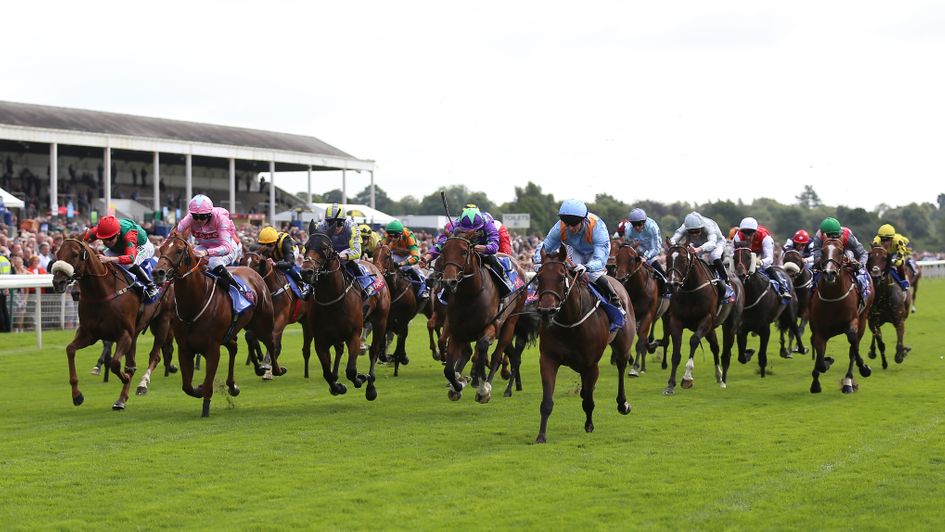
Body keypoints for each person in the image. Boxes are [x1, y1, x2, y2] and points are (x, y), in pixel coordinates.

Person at [532, 199, 621, 309]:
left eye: (573, 225)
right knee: (568, 274)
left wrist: (587, 267)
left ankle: (615, 301)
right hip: (576, 251)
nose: (569, 228)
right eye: (567, 224)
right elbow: (545, 246)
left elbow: (600, 259)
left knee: (593, 275)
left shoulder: (597, 227)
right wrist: (537, 260)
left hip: (596, 253)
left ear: (584, 220)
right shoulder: (560, 227)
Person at [425, 206, 511, 293]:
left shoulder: (488, 223)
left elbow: (494, 247)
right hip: (464, 248)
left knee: (492, 258)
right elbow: (440, 244)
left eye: (475, 229)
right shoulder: (454, 224)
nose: (470, 232)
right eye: (466, 229)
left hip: (483, 245)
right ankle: (436, 283)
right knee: (447, 257)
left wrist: (484, 248)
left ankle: (505, 280)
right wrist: (427, 257)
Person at [176, 194, 246, 296]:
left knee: (213, 261)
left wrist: (206, 252)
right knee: (187, 258)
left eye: (203, 216)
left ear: (209, 214)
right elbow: (174, 235)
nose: (199, 220)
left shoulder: (221, 219)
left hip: (228, 246)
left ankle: (238, 289)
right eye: (196, 216)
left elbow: (226, 248)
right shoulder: (189, 218)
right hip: (206, 246)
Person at [84, 215, 159, 299]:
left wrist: (109, 259)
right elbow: (81, 241)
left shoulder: (129, 234)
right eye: (103, 239)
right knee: (101, 258)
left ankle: (151, 286)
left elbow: (130, 258)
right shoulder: (100, 229)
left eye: (110, 238)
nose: (107, 242)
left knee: (128, 264)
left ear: (118, 233)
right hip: (122, 247)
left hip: (142, 246)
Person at [670, 211, 731, 295]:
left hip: (717, 242)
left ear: (702, 228)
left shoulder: (709, 226)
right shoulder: (684, 227)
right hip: (697, 244)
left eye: (697, 231)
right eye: (691, 232)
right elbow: (673, 240)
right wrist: (674, 246)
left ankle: (726, 280)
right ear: (687, 229)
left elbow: (712, 243)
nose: (694, 234)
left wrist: (698, 249)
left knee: (714, 256)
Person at [810, 217, 870, 299]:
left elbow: (863, 253)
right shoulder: (818, 237)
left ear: (839, 232)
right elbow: (817, 259)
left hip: (846, 252)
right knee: (812, 277)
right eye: (829, 236)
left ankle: (864, 298)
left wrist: (860, 265)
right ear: (823, 234)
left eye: (835, 235)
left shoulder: (847, 235)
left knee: (860, 274)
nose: (832, 239)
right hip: (827, 256)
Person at [732, 217, 792, 299]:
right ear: (741, 231)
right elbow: (733, 252)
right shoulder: (737, 236)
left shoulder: (765, 237)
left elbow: (769, 258)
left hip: (762, 250)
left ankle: (783, 288)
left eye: (750, 233)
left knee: (766, 266)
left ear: (755, 231)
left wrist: (760, 262)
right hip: (746, 252)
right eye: (745, 233)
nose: (748, 236)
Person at [313, 203, 365, 284]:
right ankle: (307, 287)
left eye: (339, 223)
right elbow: (310, 248)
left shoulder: (352, 227)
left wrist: (341, 257)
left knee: (354, 263)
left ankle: (364, 284)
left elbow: (357, 252)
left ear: (344, 221)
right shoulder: (320, 227)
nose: (336, 227)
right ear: (327, 222)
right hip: (329, 253)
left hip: (347, 252)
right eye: (332, 224)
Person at [256, 226, 311, 300]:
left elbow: (290, 263)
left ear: (275, 242)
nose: (266, 248)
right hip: (278, 254)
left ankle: (302, 284)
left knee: (288, 269)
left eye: (269, 245)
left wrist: (276, 264)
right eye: (263, 245)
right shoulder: (267, 244)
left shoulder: (285, 241)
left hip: (290, 253)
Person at [623, 207, 668, 295]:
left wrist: (645, 257)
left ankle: (666, 291)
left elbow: (656, 248)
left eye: (639, 224)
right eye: (634, 224)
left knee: (661, 275)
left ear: (644, 222)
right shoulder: (628, 229)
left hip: (651, 253)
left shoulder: (652, 227)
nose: (637, 227)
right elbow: (628, 247)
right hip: (637, 252)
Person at [382, 219, 429, 300]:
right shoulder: (387, 234)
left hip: (409, 254)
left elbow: (415, 257)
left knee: (406, 268)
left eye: (395, 236)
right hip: (395, 253)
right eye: (390, 236)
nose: (392, 239)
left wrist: (401, 264)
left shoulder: (409, 236)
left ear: (401, 234)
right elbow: (381, 248)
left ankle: (423, 288)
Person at [872, 223, 914, 291]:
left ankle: (903, 282)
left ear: (892, 238)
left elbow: (899, 261)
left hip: (896, 252)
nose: (885, 242)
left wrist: (890, 262)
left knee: (900, 265)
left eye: (887, 240)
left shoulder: (899, 242)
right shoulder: (876, 241)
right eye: (883, 240)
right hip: (885, 252)